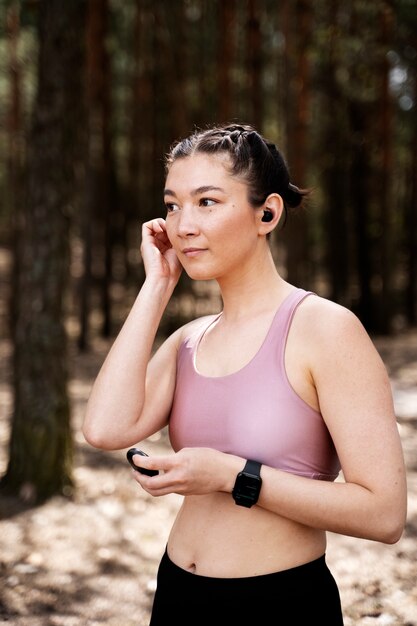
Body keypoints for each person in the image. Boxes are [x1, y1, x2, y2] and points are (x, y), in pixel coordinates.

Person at [83, 123, 407, 625]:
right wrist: (156, 286)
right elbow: (104, 428)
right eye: (172, 205)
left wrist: (234, 476)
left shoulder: (326, 329)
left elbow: (384, 514)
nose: (183, 225)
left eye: (207, 201)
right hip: (177, 595)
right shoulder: (190, 338)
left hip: (279, 605)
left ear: (267, 213)